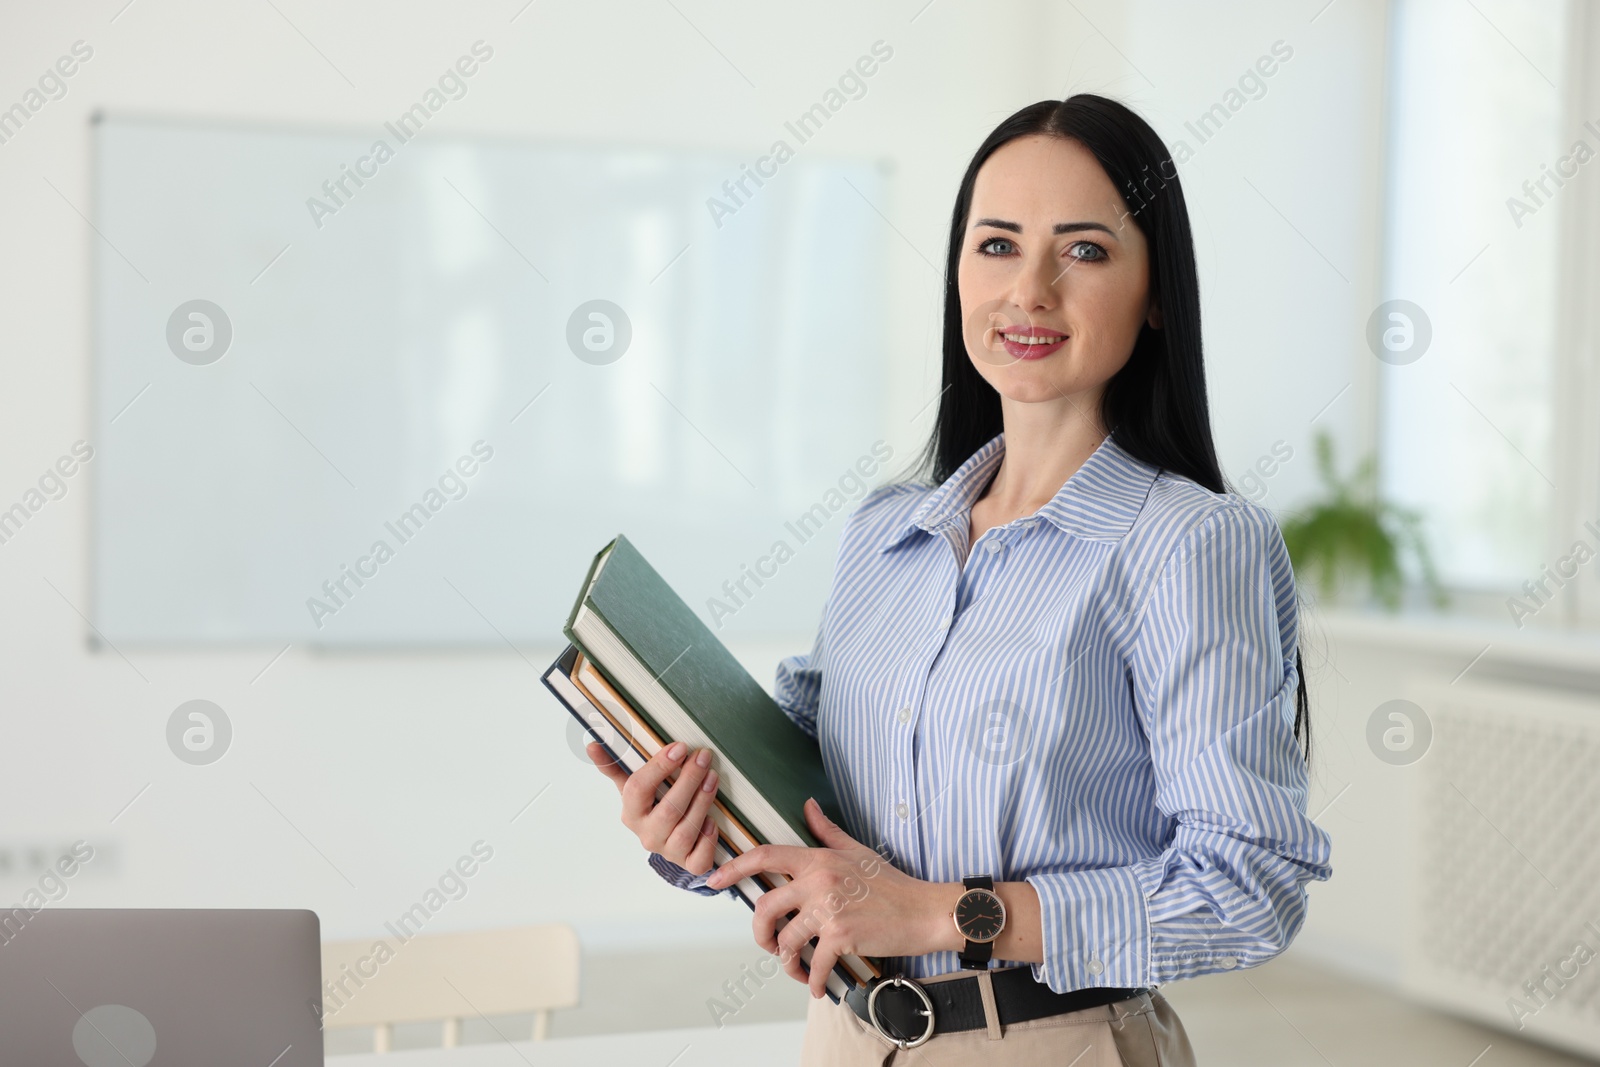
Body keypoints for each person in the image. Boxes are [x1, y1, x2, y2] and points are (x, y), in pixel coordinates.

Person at [587, 93, 1333, 1066]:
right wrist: (703, 829)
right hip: (848, 1036)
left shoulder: (1190, 545)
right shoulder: (885, 533)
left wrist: (948, 914)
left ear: (1156, 292)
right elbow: (813, 792)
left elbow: (1246, 889)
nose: (1028, 291)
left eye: (1084, 250)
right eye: (994, 245)